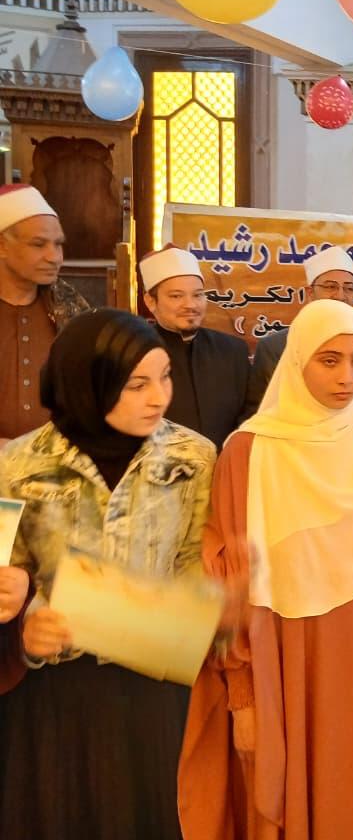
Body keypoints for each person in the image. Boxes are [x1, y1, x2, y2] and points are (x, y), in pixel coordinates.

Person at [178, 299, 353, 840]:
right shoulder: (249, 450)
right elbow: (228, 574)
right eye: (329, 361)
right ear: (297, 361)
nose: (347, 378)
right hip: (284, 652)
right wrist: (243, 693)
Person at [0, 309, 215, 840]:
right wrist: (24, 624)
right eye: (136, 384)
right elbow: (10, 574)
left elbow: (192, 567)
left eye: (165, 376)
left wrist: (214, 609)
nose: (159, 397)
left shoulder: (192, 457)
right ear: (86, 381)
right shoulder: (18, 464)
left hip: (153, 688)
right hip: (54, 692)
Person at [247, 244, 353, 415]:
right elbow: (258, 412)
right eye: (330, 287)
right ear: (310, 293)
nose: (341, 296)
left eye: (349, 288)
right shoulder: (274, 346)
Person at [0, 183, 91, 443]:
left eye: (58, 244)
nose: (54, 257)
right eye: (38, 245)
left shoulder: (73, 311)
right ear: (2, 246)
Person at [139, 244, 252, 448]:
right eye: (176, 296)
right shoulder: (135, 352)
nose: (190, 305)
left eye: (198, 295)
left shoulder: (233, 350)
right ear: (150, 301)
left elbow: (251, 416)